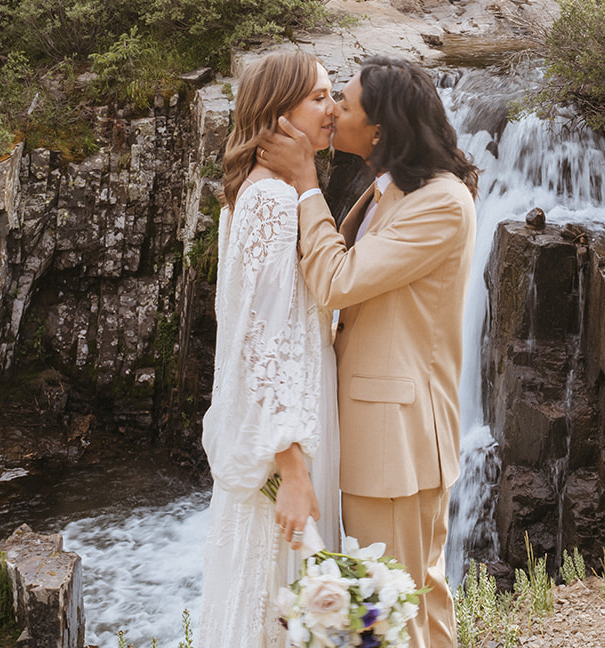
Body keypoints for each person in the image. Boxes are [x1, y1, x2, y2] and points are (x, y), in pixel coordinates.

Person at [258, 54, 478, 648]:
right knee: (415, 605)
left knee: (398, 610)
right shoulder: (390, 191)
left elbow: (336, 282)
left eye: (344, 103)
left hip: (396, 442)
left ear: (378, 129)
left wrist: (306, 184)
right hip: (374, 433)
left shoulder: (440, 202)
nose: (332, 111)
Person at [198, 48, 340, 648]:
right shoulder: (272, 203)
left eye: (332, 96)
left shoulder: (252, 194)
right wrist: (291, 466)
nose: (334, 109)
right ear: (279, 116)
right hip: (287, 434)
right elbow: (258, 340)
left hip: (292, 418)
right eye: (319, 97)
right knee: (275, 600)